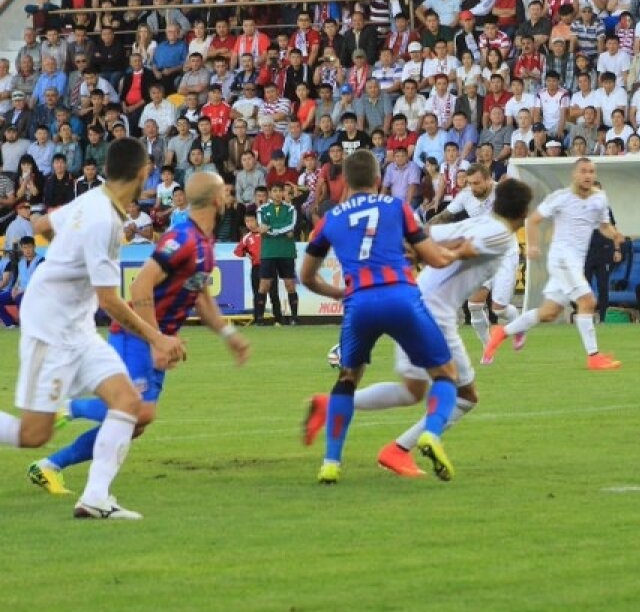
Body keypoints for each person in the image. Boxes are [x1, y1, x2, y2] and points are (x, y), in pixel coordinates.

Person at [30, 173, 251, 494]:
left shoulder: (205, 242)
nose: (229, 197)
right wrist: (156, 340)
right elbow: (140, 285)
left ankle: (49, 466)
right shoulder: (182, 238)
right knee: (138, 410)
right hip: (136, 335)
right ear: (218, 200)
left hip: (159, 339)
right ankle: (69, 408)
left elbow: (202, 298)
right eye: (226, 192)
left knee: (135, 425)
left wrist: (229, 335)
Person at [0, 138, 186, 520]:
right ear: (143, 172)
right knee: (34, 434)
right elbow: (109, 301)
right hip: (50, 327)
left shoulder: (93, 199)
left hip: (77, 324)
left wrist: (69, 255)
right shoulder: (105, 221)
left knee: (129, 404)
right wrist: (157, 337)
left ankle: (95, 498)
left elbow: (41, 224)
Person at [303, 179, 534, 479]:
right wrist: (431, 253)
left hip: (416, 299)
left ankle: (332, 404)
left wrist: (414, 248)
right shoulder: (501, 235)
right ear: (524, 212)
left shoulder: (478, 221)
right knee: (466, 396)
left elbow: (428, 232)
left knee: (413, 391)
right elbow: (463, 249)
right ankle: (401, 448)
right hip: (435, 312)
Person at [299, 150, 475, 484]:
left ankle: (331, 463)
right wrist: (460, 252)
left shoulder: (330, 219)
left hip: (359, 303)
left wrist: (337, 293)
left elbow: (306, 276)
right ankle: (431, 433)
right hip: (401, 297)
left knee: (347, 379)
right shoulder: (397, 207)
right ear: (379, 179)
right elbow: (435, 260)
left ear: (345, 182)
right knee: (445, 374)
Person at [481, 158, 625, 370]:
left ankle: (501, 332)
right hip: (561, 259)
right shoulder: (561, 197)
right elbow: (533, 220)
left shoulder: (599, 198)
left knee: (548, 312)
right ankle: (594, 357)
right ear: (574, 174)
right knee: (587, 301)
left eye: (591, 171)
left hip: (575, 262)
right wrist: (533, 246)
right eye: (583, 171)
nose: (588, 175)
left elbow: (604, 226)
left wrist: (615, 235)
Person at [433, 164, 521, 348]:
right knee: (474, 305)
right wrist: (419, 232)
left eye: (477, 183)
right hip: (483, 254)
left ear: (489, 179)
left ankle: (517, 324)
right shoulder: (465, 196)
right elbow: (444, 216)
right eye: (470, 183)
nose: (473, 187)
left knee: (500, 310)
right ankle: (488, 348)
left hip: (505, 253)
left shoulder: (502, 193)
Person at [255, 182, 300, 325]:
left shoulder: (291, 209)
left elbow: (291, 225)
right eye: (274, 191)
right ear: (270, 193)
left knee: (290, 284)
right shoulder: (262, 209)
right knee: (264, 285)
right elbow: (262, 226)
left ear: (284, 193)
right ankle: (259, 319)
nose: (278, 194)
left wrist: (271, 229)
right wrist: (282, 231)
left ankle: (294, 318)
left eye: (280, 191)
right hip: (269, 252)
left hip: (286, 251)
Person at [0, 237, 42, 328]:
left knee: (20, 298)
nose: (27, 250)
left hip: (33, 292)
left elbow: (39, 282)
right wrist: (14, 288)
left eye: (29, 247)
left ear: (34, 247)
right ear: (21, 248)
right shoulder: (21, 262)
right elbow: (19, 279)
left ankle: (27, 324)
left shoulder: (41, 261)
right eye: (24, 248)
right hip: (19, 290)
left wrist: (22, 291)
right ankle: (10, 323)